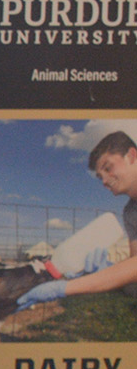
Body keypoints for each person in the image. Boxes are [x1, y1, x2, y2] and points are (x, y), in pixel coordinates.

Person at [16, 130, 137, 309]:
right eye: (99, 176)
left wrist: (66, 288)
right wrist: (107, 272)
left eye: (108, 167)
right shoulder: (130, 213)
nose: (104, 180)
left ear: (132, 155)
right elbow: (133, 275)